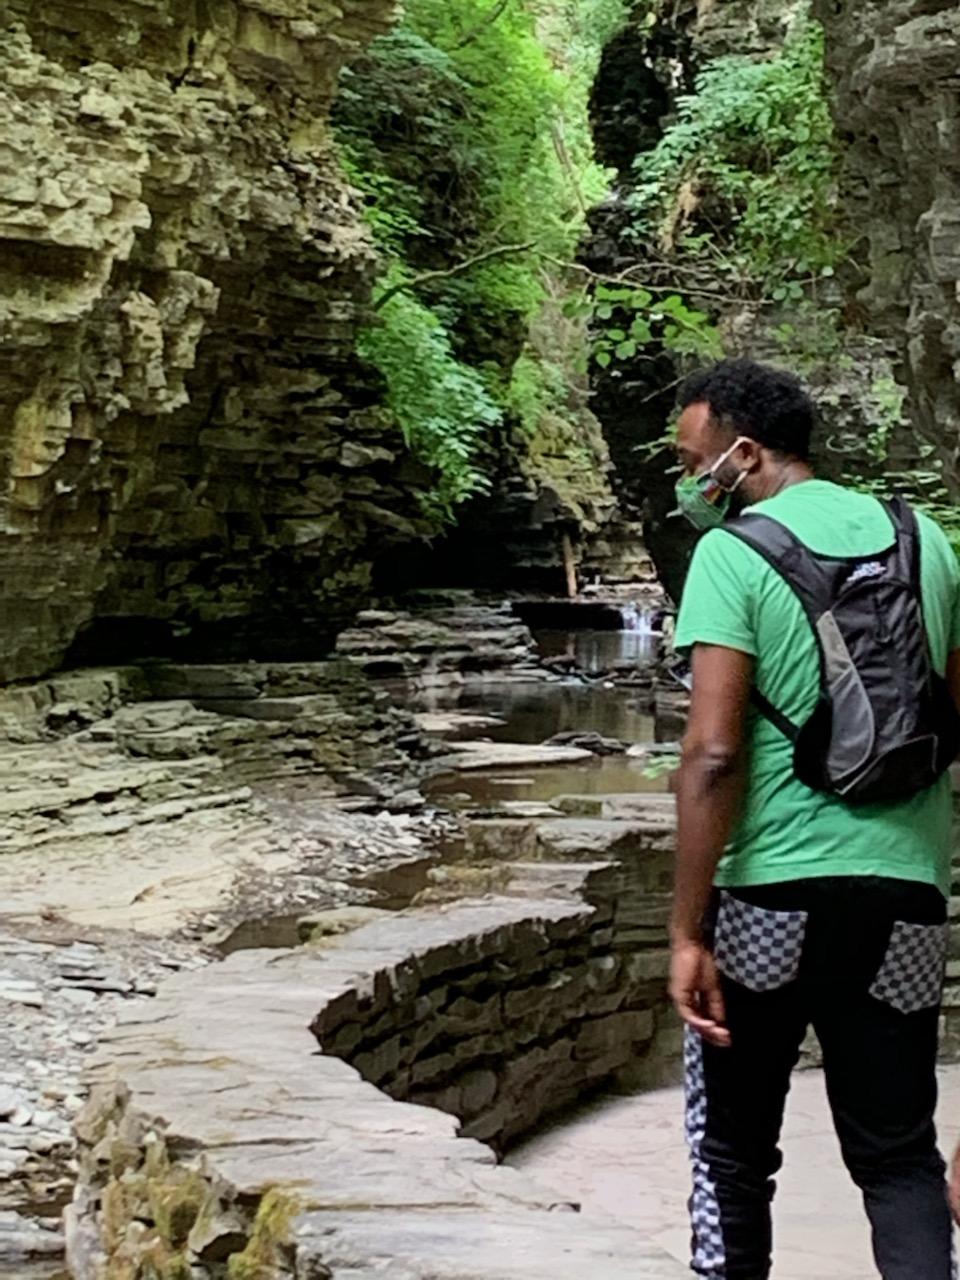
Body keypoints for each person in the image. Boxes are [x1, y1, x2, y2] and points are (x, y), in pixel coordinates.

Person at [668, 357, 960, 1279]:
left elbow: (713, 756)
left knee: (733, 1155)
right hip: (908, 899)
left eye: (692, 459)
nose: (686, 483)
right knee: (899, 1155)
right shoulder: (931, 542)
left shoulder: (730, 553)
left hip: (769, 906)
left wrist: (685, 930)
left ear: (743, 454)